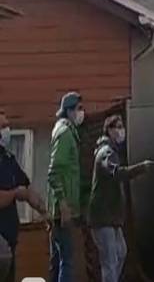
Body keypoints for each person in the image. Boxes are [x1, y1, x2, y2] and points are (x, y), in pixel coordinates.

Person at [88, 115, 154, 282]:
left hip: (111, 217)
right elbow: (116, 173)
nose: (121, 131)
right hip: (102, 217)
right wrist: (141, 168)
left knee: (121, 252)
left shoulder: (111, 151)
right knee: (110, 260)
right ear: (109, 130)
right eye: (117, 127)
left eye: (121, 127)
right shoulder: (106, 153)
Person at [0, 108, 49, 282]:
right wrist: (15, 193)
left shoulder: (8, 158)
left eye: (7, 126)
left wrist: (45, 211)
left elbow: (26, 190)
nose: (7, 131)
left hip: (9, 238)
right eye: (3, 126)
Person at [48, 91, 86, 282]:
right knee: (67, 261)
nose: (82, 113)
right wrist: (63, 204)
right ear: (69, 111)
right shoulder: (65, 134)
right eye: (79, 109)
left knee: (57, 260)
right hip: (62, 209)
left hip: (57, 209)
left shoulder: (65, 131)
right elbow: (54, 172)